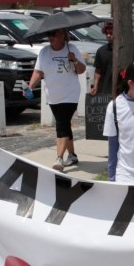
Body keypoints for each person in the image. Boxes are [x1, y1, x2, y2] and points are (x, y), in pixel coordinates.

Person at [26, 28, 88, 171]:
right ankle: (72, 155)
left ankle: (59, 158)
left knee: (62, 123)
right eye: (49, 34)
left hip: (70, 93)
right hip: (53, 94)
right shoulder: (44, 52)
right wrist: (30, 86)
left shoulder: (71, 49)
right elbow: (38, 71)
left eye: (55, 34)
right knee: (64, 123)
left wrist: (74, 60)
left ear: (63, 35)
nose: (51, 37)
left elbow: (81, 70)